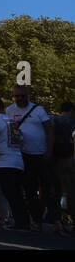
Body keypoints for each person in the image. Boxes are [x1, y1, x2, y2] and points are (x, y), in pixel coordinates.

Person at [6, 85, 55, 232]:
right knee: (30, 190)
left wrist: (49, 151)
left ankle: (57, 221)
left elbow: (49, 131)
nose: (20, 99)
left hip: (41, 154)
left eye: (22, 96)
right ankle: (37, 221)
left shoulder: (38, 110)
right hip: (22, 155)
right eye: (17, 96)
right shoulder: (10, 110)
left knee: (48, 189)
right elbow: (10, 131)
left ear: (27, 96)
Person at [0, 97, 29, 231]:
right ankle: (23, 222)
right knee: (18, 194)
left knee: (10, 193)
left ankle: (19, 223)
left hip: (4, 161)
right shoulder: (11, 120)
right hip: (17, 160)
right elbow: (20, 139)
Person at [54, 101, 75, 236]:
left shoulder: (54, 120)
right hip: (70, 159)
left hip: (55, 160)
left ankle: (58, 221)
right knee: (72, 192)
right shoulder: (72, 122)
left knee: (56, 191)